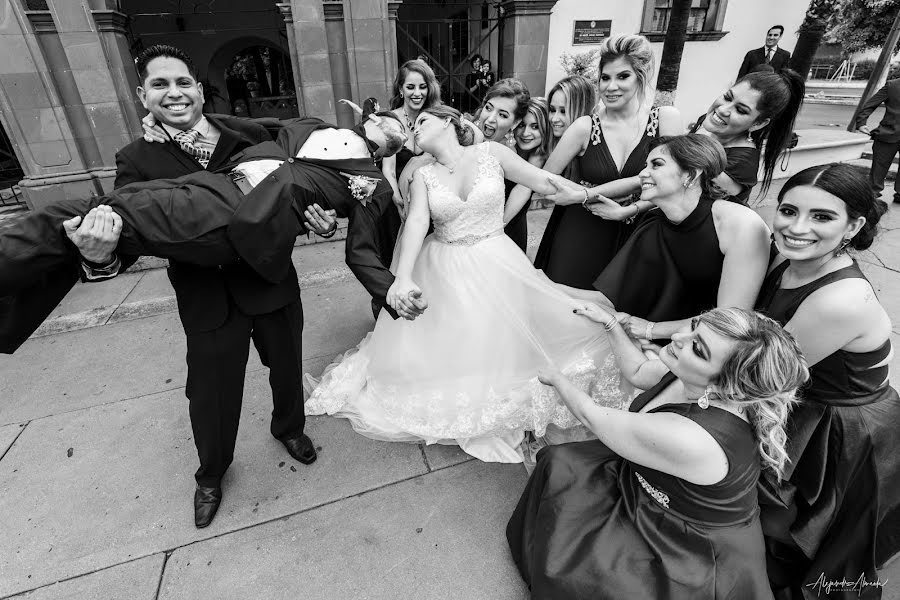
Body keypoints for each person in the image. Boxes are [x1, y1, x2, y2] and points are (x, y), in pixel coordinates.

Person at [61, 45, 340, 529]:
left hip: (271, 283)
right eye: (160, 85)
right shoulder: (136, 159)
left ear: (198, 87)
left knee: (287, 369)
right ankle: (211, 473)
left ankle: (289, 428)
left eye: (183, 82)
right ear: (142, 96)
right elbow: (130, 229)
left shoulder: (251, 134)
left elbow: (299, 191)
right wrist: (98, 256)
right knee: (210, 395)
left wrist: (322, 221)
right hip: (207, 300)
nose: (174, 93)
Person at [304, 106, 625, 463]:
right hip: (444, 264)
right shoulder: (423, 175)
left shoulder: (493, 154)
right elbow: (416, 222)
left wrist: (586, 196)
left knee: (508, 331)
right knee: (457, 337)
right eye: (413, 125)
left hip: (496, 258)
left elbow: (543, 181)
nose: (415, 127)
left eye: (422, 120)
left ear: (449, 121)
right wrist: (404, 276)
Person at [0, 104, 421, 361]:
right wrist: (172, 123)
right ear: (373, 117)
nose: (402, 127)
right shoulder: (312, 123)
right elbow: (245, 126)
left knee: (71, 214)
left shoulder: (373, 184)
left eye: (406, 133)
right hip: (210, 186)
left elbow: (362, 249)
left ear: (394, 150)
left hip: (232, 220)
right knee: (82, 220)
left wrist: (391, 293)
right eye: (398, 121)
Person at [507, 306, 809, 599]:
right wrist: (610, 324)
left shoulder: (691, 438)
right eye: (694, 328)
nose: (678, 338)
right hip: (654, 487)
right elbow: (638, 371)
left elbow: (593, 418)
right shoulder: (691, 374)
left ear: (728, 389)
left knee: (589, 575)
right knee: (563, 464)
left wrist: (557, 378)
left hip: (688, 540)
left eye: (699, 349)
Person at [753, 163, 900, 598]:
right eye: (788, 210)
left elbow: (758, 376)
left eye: (822, 217)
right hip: (798, 400)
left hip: (843, 431)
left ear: (854, 225)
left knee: (816, 545)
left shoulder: (841, 299)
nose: (797, 228)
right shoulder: (786, 258)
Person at [548, 135, 771, 347]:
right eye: (645, 165)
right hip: (654, 342)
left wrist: (652, 330)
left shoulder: (741, 224)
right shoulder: (653, 222)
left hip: (715, 350)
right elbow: (613, 300)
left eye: (656, 165)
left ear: (691, 175)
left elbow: (730, 321)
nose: (643, 173)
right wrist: (544, 285)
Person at [528, 35, 682, 289]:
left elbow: (672, 182)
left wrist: (628, 209)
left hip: (638, 233)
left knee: (620, 313)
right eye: (605, 77)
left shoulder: (666, 119)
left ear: (640, 77)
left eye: (623, 76)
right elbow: (546, 179)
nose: (611, 86)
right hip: (582, 229)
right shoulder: (584, 127)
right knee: (570, 305)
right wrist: (590, 197)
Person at [689, 69, 805, 203]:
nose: (722, 109)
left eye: (740, 110)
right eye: (727, 97)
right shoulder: (707, 123)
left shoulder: (740, 164)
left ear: (758, 123)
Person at [470, 79, 532, 250]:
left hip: (502, 238)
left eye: (502, 115)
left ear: (515, 123)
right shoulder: (462, 137)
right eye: (488, 108)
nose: (490, 119)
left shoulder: (509, 158)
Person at [854, 77, 900, 204]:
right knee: (879, 166)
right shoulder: (892, 85)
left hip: (888, 133)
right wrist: (861, 122)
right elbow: (870, 104)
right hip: (888, 133)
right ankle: (872, 195)